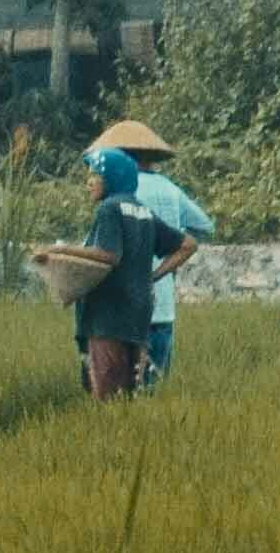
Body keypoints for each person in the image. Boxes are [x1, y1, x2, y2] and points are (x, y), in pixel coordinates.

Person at [87, 117, 211, 387]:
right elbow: (204, 225)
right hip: (160, 301)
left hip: (120, 308)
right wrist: (158, 272)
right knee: (153, 387)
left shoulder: (117, 195)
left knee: (117, 388)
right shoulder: (170, 188)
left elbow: (100, 251)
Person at [71, 143, 166, 400]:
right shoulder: (143, 211)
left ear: (111, 177)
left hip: (107, 316)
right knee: (130, 393)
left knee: (105, 396)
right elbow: (187, 245)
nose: (89, 183)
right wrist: (153, 276)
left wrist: (64, 252)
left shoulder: (109, 208)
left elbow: (108, 255)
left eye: (95, 176)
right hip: (137, 314)